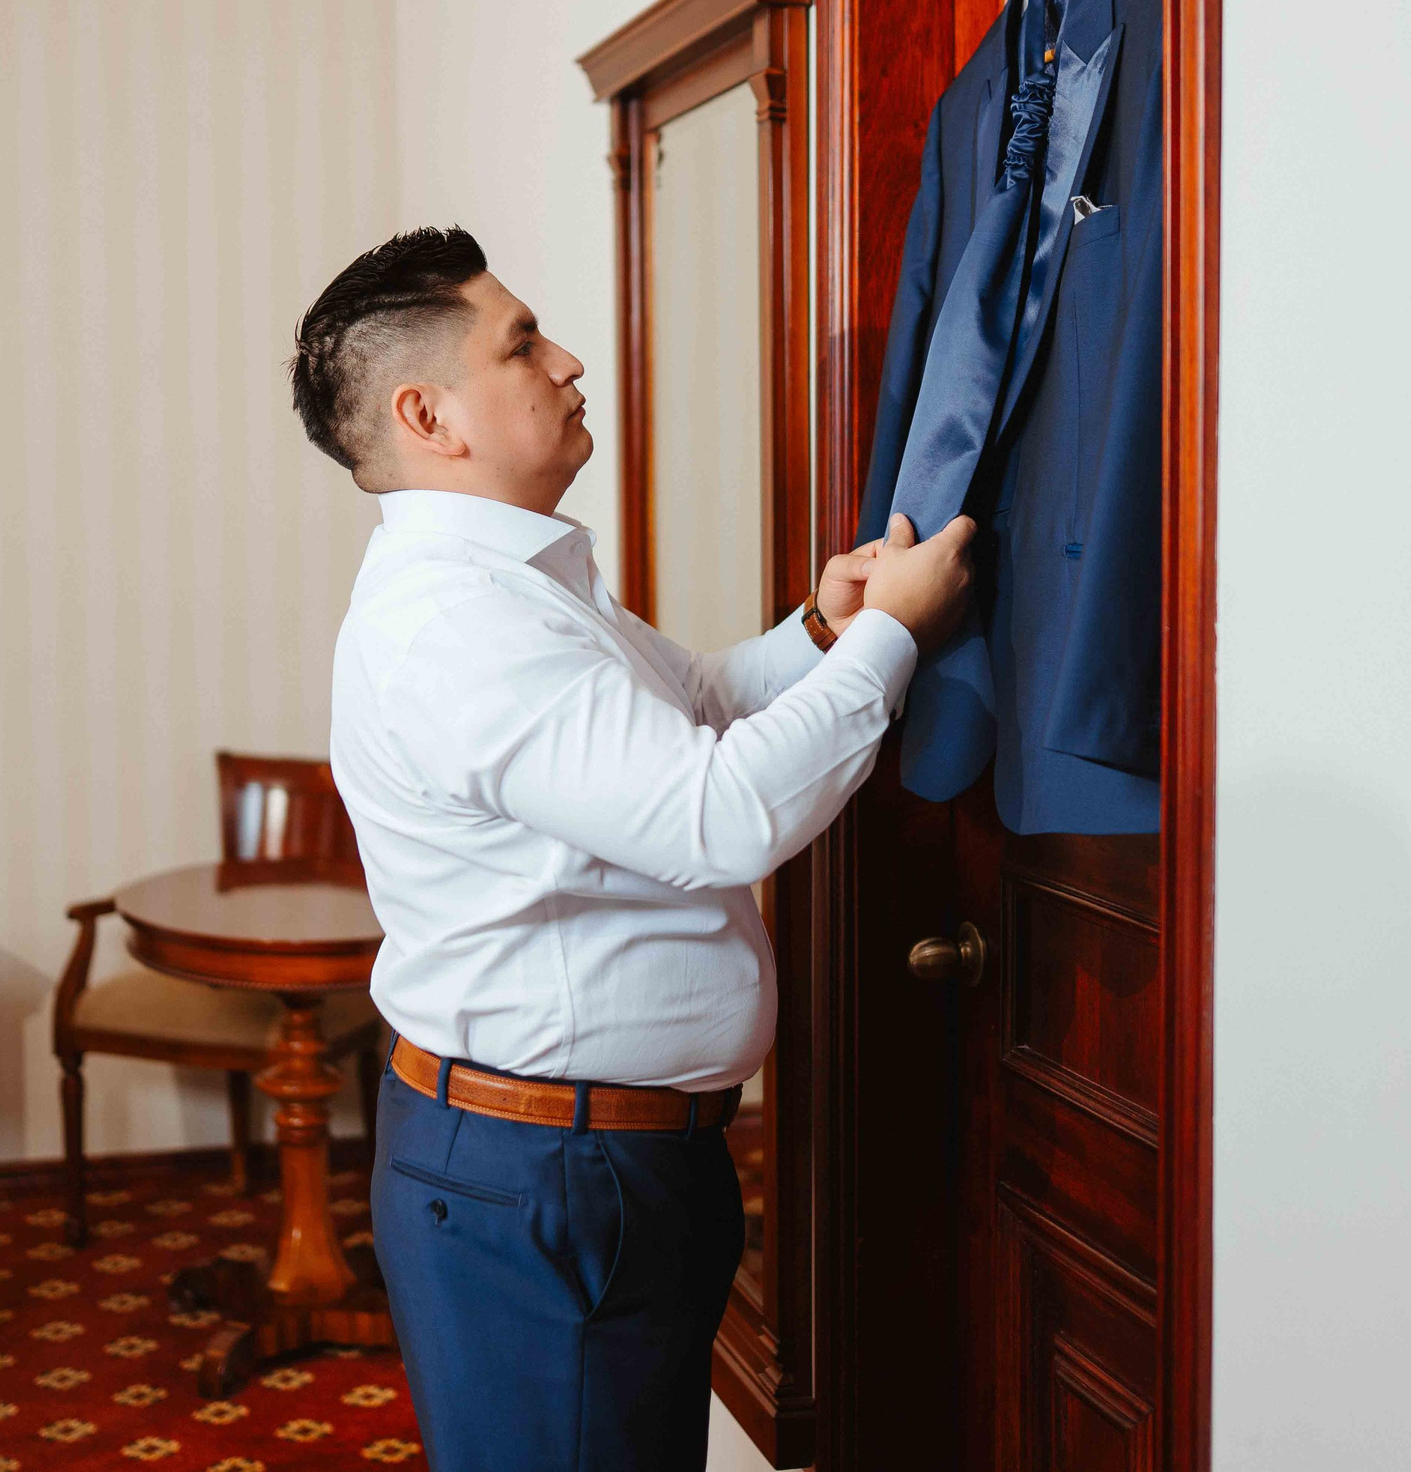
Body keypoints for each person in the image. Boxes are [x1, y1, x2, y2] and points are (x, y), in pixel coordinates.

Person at [292, 226, 974, 1472]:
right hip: (544, 1173)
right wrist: (896, 643)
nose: (566, 362)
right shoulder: (457, 625)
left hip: (591, 1157)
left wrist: (825, 628)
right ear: (428, 414)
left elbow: (700, 701)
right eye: (521, 344)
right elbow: (716, 817)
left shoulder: (521, 584)